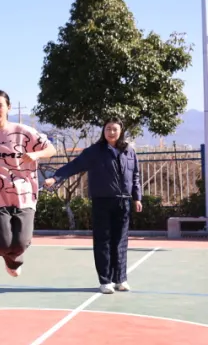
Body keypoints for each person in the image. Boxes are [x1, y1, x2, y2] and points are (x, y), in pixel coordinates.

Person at [43, 118, 143, 293]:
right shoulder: (95, 151)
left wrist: (137, 198)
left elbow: (135, 176)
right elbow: (74, 165)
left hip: (123, 201)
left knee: (120, 242)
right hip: (102, 201)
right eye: (108, 129)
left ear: (121, 131)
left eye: (115, 129)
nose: (111, 132)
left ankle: (120, 279)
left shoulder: (129, 151)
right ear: (103, 131)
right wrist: (55, 177)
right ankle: (105, 281)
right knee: (103, 241)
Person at [0, 90, 56, 277]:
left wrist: (36, 154)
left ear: (8, 107)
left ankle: (12, 260)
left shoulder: (24, 131)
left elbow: (51, 149)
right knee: (2, 242)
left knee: (22, 242)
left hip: (25, 193)